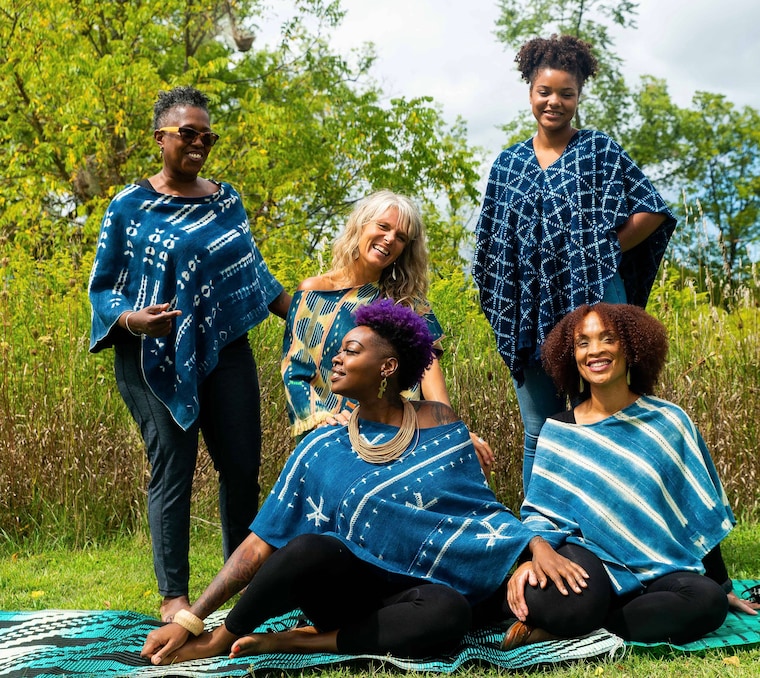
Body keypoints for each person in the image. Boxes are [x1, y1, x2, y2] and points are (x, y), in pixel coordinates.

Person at [140, 299, 600, 666]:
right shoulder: (322, 446)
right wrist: (192, 619)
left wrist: (532, 547)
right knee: (307, 547)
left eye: (351, 351)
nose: (336, 359)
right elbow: (259, 545)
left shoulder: (439, 422)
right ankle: (225, 638)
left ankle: (305, 641)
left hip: (435, 589)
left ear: (387, 367)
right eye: (339, 351)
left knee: (458, 611)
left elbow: (477, 509)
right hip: (355, 593)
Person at [88, 86, 290, 623]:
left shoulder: (226, 201)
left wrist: (314, 315)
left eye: (208, 136)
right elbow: (103, 288)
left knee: (242, 468)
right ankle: (173, 595)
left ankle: (242, 583)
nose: (199, 143)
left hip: (225, 350)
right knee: (173, 467)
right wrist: (133, 319)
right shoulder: (129, 207)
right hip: (151, 355)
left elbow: (255, 275)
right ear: (160, 138)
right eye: (187, 133)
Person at [472, 34, 676, 490]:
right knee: (540, 428)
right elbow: (490, 246)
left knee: (609, 416)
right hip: (528, 311)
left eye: (566, 93)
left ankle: (614, 516)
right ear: (530, 92)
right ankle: (540, 525)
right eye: (545, 91)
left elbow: (652, 209)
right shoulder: (508, 165)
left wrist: (603, 250)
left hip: (595, 302)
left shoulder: (598, 150)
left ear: (579, 96)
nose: (555, 102)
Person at [508, 302, 758, 645]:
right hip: (591, 560)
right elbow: (542, 514)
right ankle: (583, 619)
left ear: (630, 347)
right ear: (572, 356)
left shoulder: (668, 421)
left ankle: (592, 629)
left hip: (662, 569)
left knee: (708, 602)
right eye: (583, 343)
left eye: (607, 339)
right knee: (565, 601)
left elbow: (695, 511)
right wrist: (532, 558)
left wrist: (722, 586)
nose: (595, 351)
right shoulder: (559, 431)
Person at [283, 189, 493, 468]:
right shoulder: (314, 292)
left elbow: (428, 371)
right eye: (383, 226)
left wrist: (453, 429)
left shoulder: (408, 303)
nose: (390, 239)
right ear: (361, 224)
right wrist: (322, 418)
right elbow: (295, 370)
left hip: (395, 432)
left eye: (401, 237)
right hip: (328, 430)